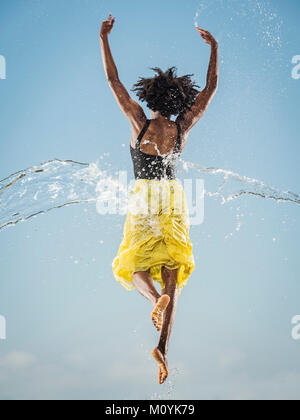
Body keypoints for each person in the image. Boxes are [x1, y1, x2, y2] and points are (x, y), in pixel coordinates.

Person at [100, 14, 218, 385]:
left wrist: (104, 38)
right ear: (177, 97)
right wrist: (214, 48)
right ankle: (163, 346)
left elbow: (113, 81)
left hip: (143, 197)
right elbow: (210, 90)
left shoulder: (140, 123)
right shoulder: (181, 128)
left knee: (133, 266)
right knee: (173, 273)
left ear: (149, 95)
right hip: (174, 199)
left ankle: (154, 302)